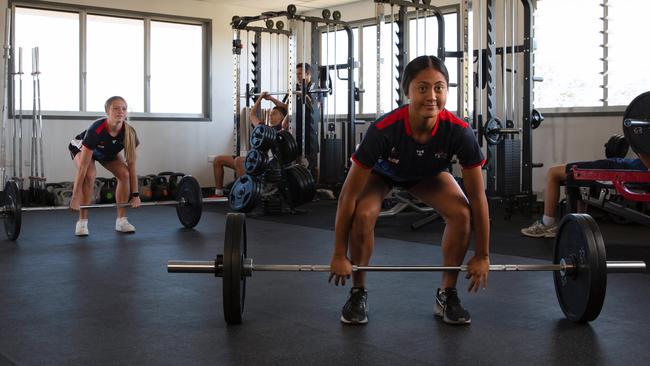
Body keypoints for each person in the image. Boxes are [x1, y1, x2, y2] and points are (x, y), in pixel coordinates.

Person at [328, 55, 490, 326]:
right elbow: (348, 195)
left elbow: (477, 196)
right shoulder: (383, 129)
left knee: (462, 213)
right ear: (407, 91)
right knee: (364, 214)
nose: (432, 96)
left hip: (426, 175)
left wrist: (483, 255)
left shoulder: (460, 131)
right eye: (422, 88)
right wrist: (337, 254)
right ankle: (358, 292)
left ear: (447, 90)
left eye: (439, 87)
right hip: (382, 174)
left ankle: (447, 294)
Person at [521, 153, 650, 238]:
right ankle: (579, 225)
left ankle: (547, 223)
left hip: (620, 168)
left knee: (553, 173)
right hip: (621, 164)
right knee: (573, 180)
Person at [69, 96, 140, 236]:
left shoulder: (129, 133)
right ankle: (82, 222)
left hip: (106, 151)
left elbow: (131, 166)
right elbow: (83, 168)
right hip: (82, 148)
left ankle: (121, 221)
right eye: (116, 108)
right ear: (107, 111)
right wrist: (75, 196)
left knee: (124, 174)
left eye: (124, 108)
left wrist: (136, 194)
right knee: (89, 175)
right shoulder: (96, 130)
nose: (120, 111)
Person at [211, 91, 288, 197]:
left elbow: (288, 108)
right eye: (270, 114)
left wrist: (271, 99)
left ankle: (243, 195)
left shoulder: (283, 129)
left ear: (282, 117)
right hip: (253, 159)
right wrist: (260, 98)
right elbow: (252, 114)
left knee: (239, 161)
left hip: (264, 163)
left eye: (274, 114)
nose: (270, 116)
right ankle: (218, 194)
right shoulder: (264, 129)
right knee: (218, 160)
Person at [295, 63, 321, 182]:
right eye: (297, 74)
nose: (298, 76)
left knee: (312, 163)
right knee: (297, 161)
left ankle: (315, 187)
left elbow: (315, 107)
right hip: (297, 129)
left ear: (308, 74)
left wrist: (304, 94)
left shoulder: (315, 88)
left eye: (300, 74)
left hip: (310, 129)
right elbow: (286, 106)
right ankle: (299, 187)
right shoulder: (296, 88)